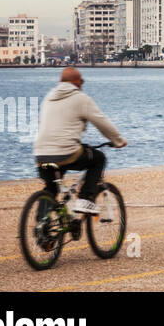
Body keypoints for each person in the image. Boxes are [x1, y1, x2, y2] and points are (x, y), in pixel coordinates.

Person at [32, 67, 127, 215]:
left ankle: (42, 228)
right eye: (81, 81)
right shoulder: (81, 98)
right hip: (66, 152)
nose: (82, 84)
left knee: (51, 188)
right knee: (98, 159)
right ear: (77, 81)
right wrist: (118, 140)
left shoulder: (48, 98)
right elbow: (102, 122)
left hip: (40, 154)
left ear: (60, 81)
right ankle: (86, 198)